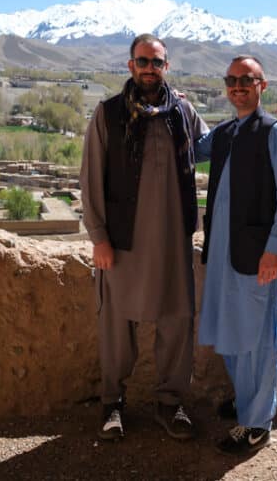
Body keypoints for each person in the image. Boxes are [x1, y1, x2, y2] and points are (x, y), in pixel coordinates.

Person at [79, 34, 208, 442]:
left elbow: (209, 147)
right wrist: (99, 237)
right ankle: (112, 402)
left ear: (166, 67)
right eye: (142, 61)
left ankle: (171, 403)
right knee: (117, 324)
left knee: (177, 321)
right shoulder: (108, 113)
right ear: (130, 65)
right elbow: (90, 178)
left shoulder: (183, 112)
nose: (149, 68)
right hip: (122, 241)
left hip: (173, 240)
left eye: (156, 62)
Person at [195, 55, 277, 456]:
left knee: (258, 339)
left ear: (262, 86)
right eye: (232, 80)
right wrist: (179, 104)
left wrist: (274, 250)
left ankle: (257, 424)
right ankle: (246, 399)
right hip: (224, 253)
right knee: (230, 330)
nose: (238, 87)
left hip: (259, 256)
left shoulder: (276, 133)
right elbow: (191, 148)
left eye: (247, 80)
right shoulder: (225, 134)